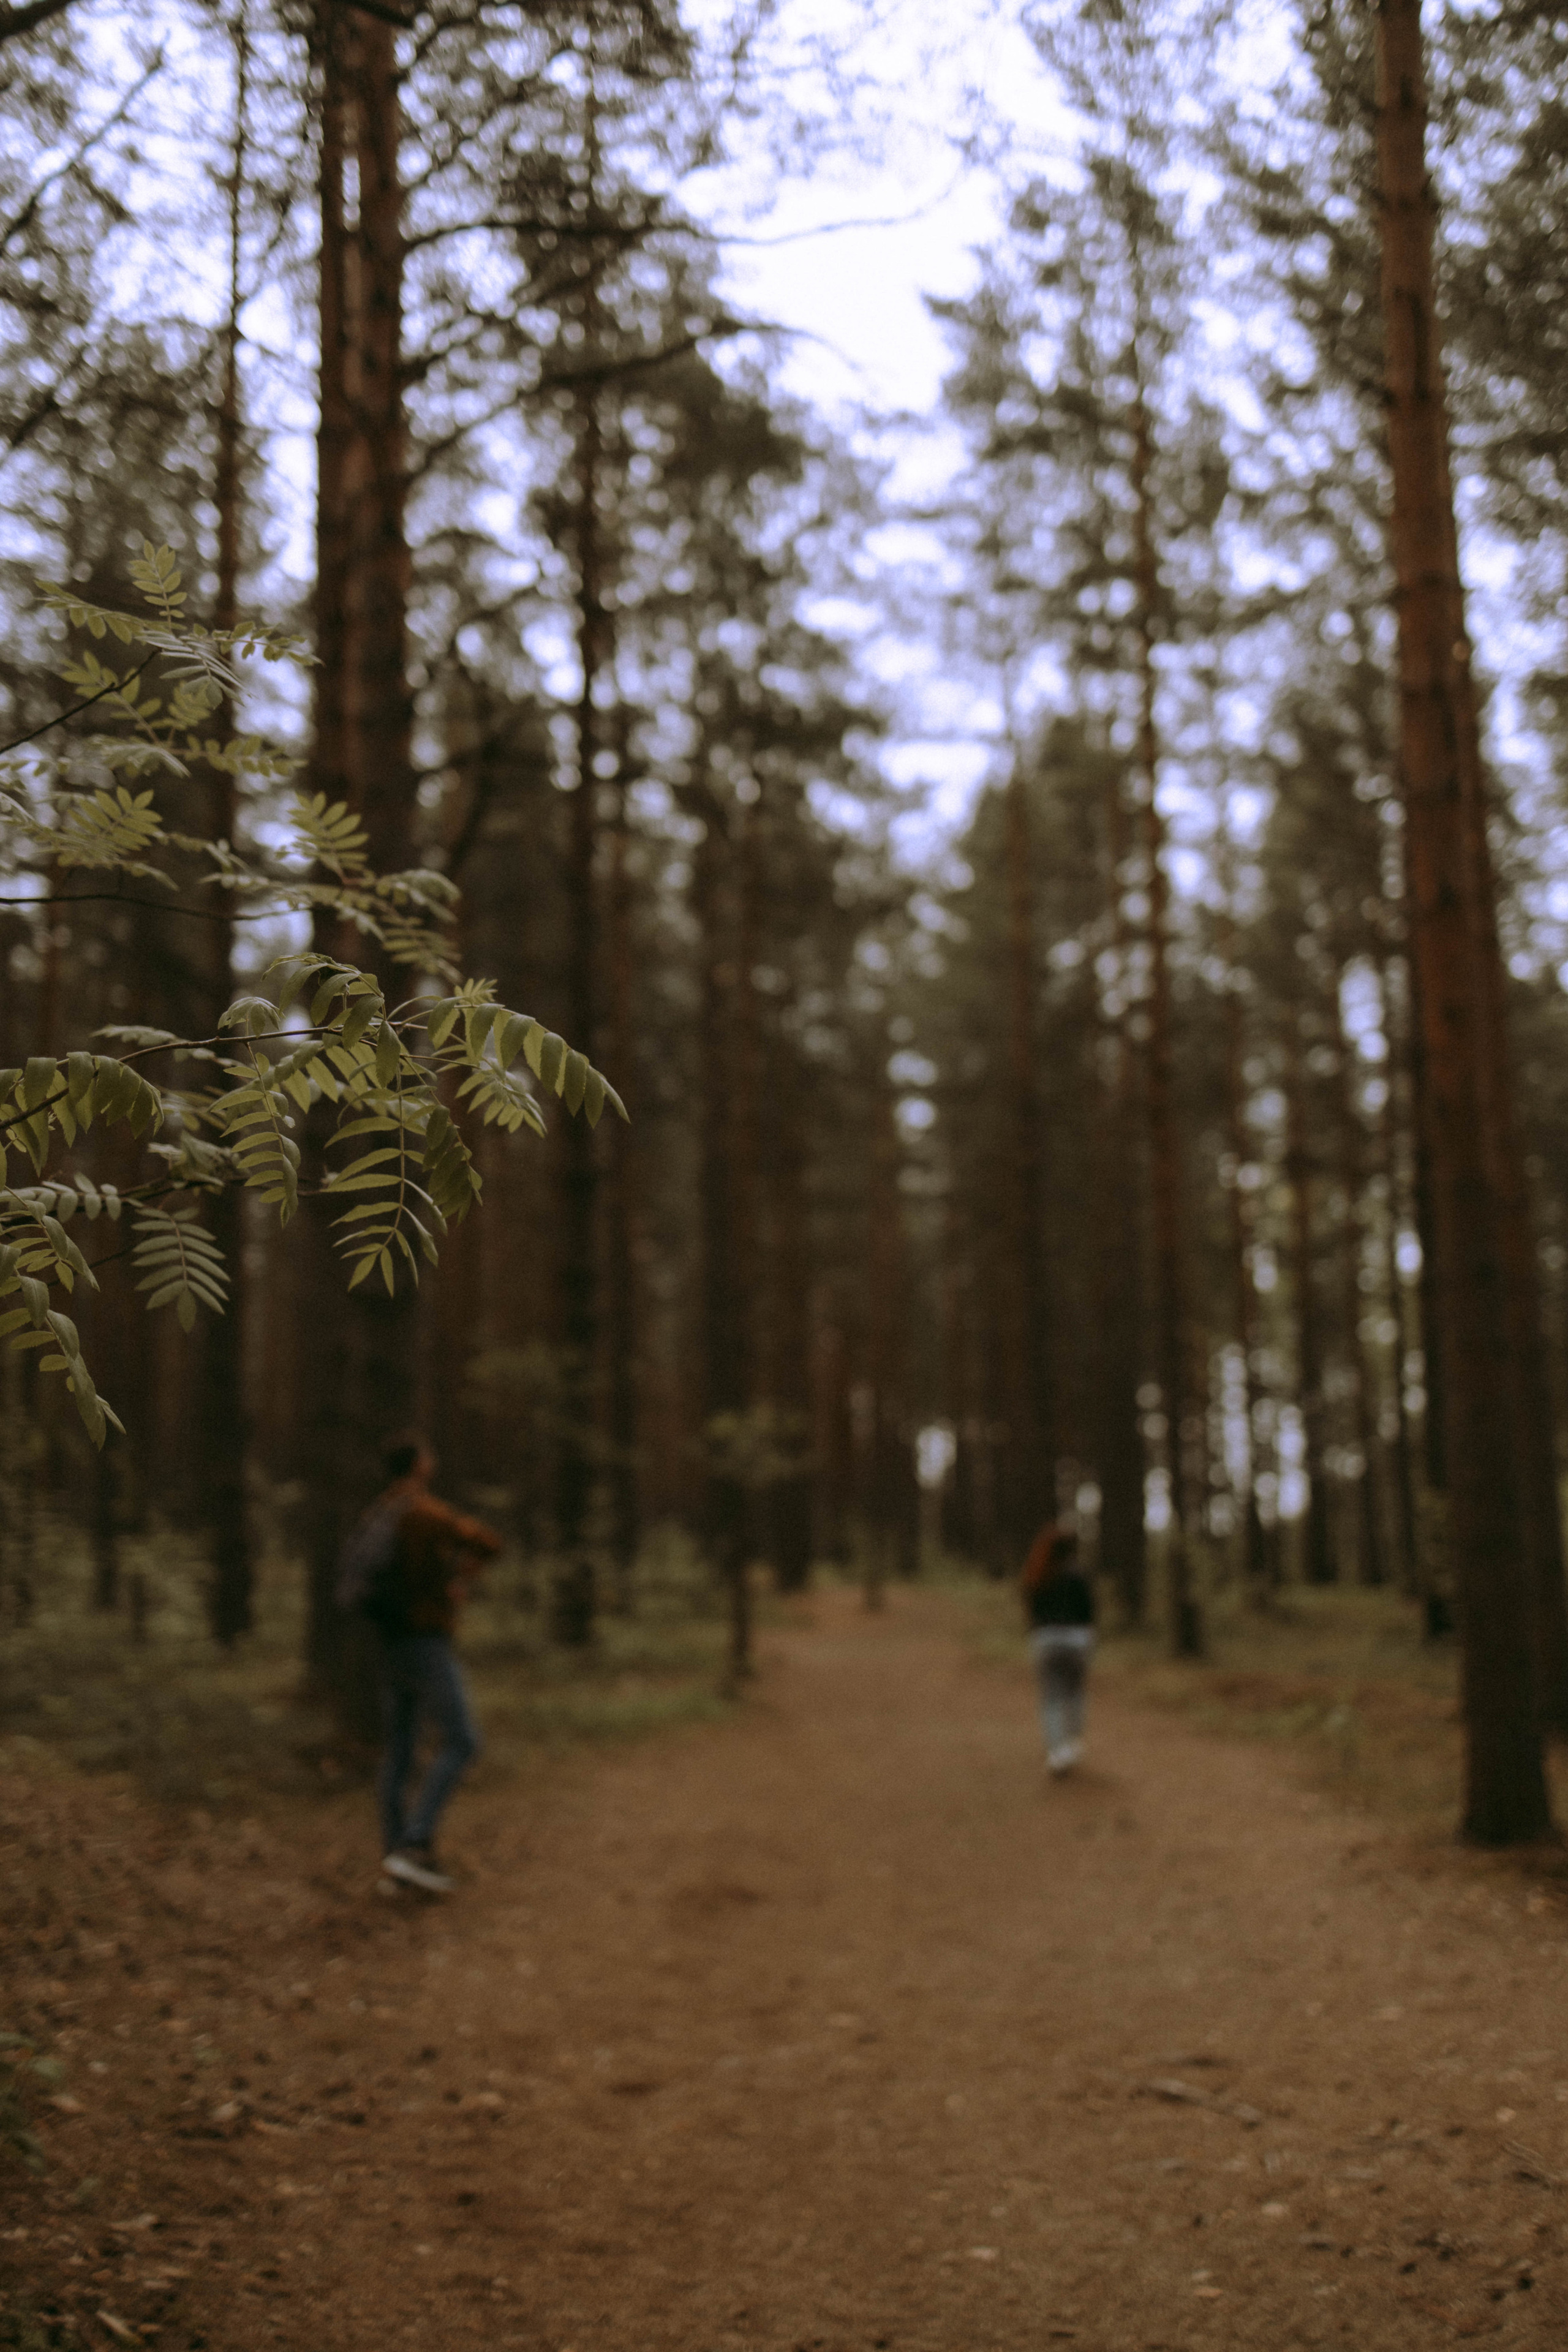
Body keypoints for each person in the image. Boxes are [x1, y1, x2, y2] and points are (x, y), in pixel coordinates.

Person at [352, 1433, 502, 1893]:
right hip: (425, 1641)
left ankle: (397, 1862)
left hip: (391, 1643)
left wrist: (449, 1579)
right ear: (419, 1465)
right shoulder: (424, 1513)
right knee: (462, 1740)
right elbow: (488, 1543)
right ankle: (415, 1846)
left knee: (400, 1750)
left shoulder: (379, 1513)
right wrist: (462, 1578)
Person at [1021, 1523, 1095, 1775]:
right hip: (1077, 1640)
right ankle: (1073, 1743)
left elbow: (1030, 1610)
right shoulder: (1078, 1574)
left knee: (1051, 1698)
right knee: (1075, 1693)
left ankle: (1057, 1752)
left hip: (1046, 1639)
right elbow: (1089, 1612)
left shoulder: (1038, 1573)